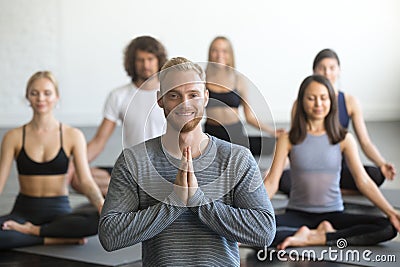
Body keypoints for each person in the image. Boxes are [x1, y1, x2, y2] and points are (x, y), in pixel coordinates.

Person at [99, 57, 276, 266]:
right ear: (160, 99)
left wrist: (199, 202)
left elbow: (264, 232)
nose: (185, 104)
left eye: (193, 94)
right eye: (174, 95)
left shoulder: (237, 159)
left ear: (206, 97)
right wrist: (173, 202)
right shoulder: (134, 161)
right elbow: (110, 235)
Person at [264, 75, 399, 250]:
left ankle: (315, 237)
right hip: (297, 214)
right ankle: (324, 235)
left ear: (331, 101)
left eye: (323, 98)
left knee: (387, 227)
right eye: (311, 98)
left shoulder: (344, 139)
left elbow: (363, 181)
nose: (318, 104)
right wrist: (249, 215)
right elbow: (272, 183)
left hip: (334, 214)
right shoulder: (287, 139)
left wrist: (391, 212)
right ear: (301, 102)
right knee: (255, 230)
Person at [0, 71, 104, 250]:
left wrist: (102, 205)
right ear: (28, 97)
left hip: (59, 213)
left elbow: (86, 180)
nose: (41, 98)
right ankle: (53, 238)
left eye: (47, 93)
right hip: (23, 212)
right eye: (34, 93)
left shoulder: (72, 135)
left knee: (97, 219)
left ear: (56, 97)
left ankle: (32, 232)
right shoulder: (14, 137)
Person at [279, 48, 396, 194]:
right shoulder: (300, 103)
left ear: (339, 70)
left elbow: (365, 142)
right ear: (314, 71)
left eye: (332, 68)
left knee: (376, 175)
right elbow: (294, 143)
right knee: (283, 179)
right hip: (310, 168)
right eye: (322, 68)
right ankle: (329, 190)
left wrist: (382, 163)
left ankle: (329, 191)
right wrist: (274, 171)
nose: (327, 73)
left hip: (338, 167)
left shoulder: (350, 101)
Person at [67, 36, 167, 196]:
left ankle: (129, 195)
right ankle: (130, 194)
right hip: (131, 169)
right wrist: (71, 167)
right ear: (132, 63)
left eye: (150, 59)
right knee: (79, 177)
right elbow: (99, 141)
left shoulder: (170, 94)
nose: (146, 65)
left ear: (158, 60)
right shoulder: (119, 95)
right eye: (140, 60)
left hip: (163, 170)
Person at [204, 36, 286, 155]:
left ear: (230, 55)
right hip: (212, 134)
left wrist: (272, 131)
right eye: (215, 50)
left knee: (274, 144)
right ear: (210, 53)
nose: (219, 55)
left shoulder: (239, 80)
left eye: (224, 51)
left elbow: (250, 117)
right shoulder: (202, 78)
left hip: (235, 134)